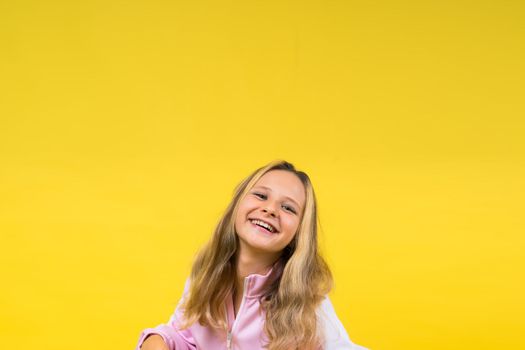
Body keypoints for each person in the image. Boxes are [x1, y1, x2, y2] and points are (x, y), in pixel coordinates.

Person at [136, 160, 367, 350]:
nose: (270, 209)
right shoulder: (207, 276)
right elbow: (184, 334)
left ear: (299, 233)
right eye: (260, 195)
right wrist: (157, 340)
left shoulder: (307, 304)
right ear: (237, 204)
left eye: (288, 208)